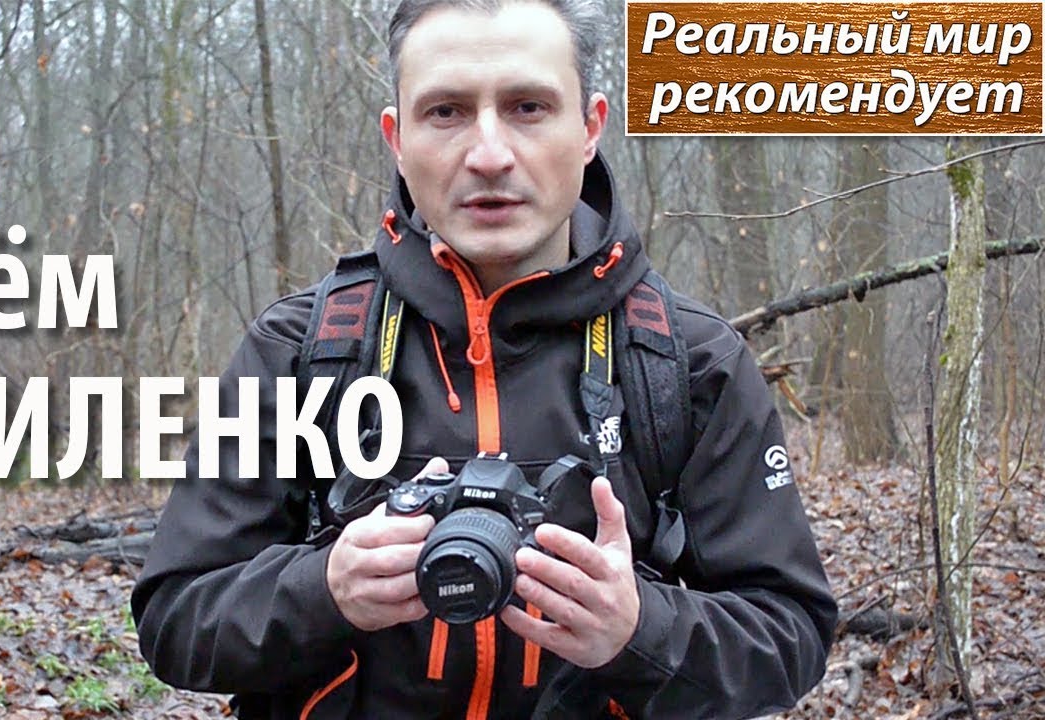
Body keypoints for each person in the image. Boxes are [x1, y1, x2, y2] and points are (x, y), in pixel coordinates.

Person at [132, 1, 837, 718]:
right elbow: (174, 620)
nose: (490, 154)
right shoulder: (301, 351)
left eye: (529, 107)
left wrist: (638, 631)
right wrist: (324, 589)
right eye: (446, 112)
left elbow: (792, 635)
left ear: (589, 128)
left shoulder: (688, 364)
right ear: (397, 139)